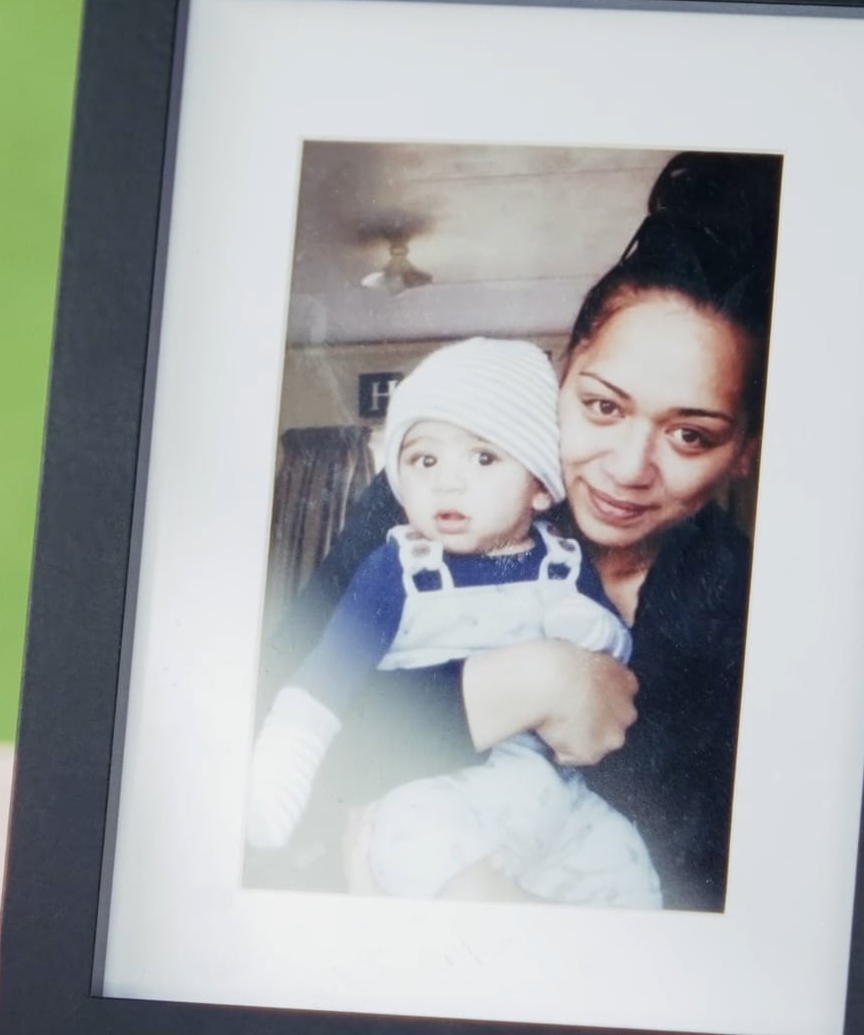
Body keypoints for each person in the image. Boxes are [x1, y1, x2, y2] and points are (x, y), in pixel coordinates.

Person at [250, 151, 779, 911]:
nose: (629, 467)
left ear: (744, 456)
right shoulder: (427, 504)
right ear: (565, 373)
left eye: (691, 435)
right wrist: (524, 683)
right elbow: (270, 741)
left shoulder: (746, 610)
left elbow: (718, 895)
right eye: (602, 406)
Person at [244, 337, 659, 906]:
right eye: (425, 459)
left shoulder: (563, 562)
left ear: (540, 487)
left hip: (552, 797)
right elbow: (322, 682)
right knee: (424, 848)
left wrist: (595, 638)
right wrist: (281, 770)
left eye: (484, 457)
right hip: (432, 790)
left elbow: (609, 652)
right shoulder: (398, 569)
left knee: (623, 862)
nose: (447, 482)